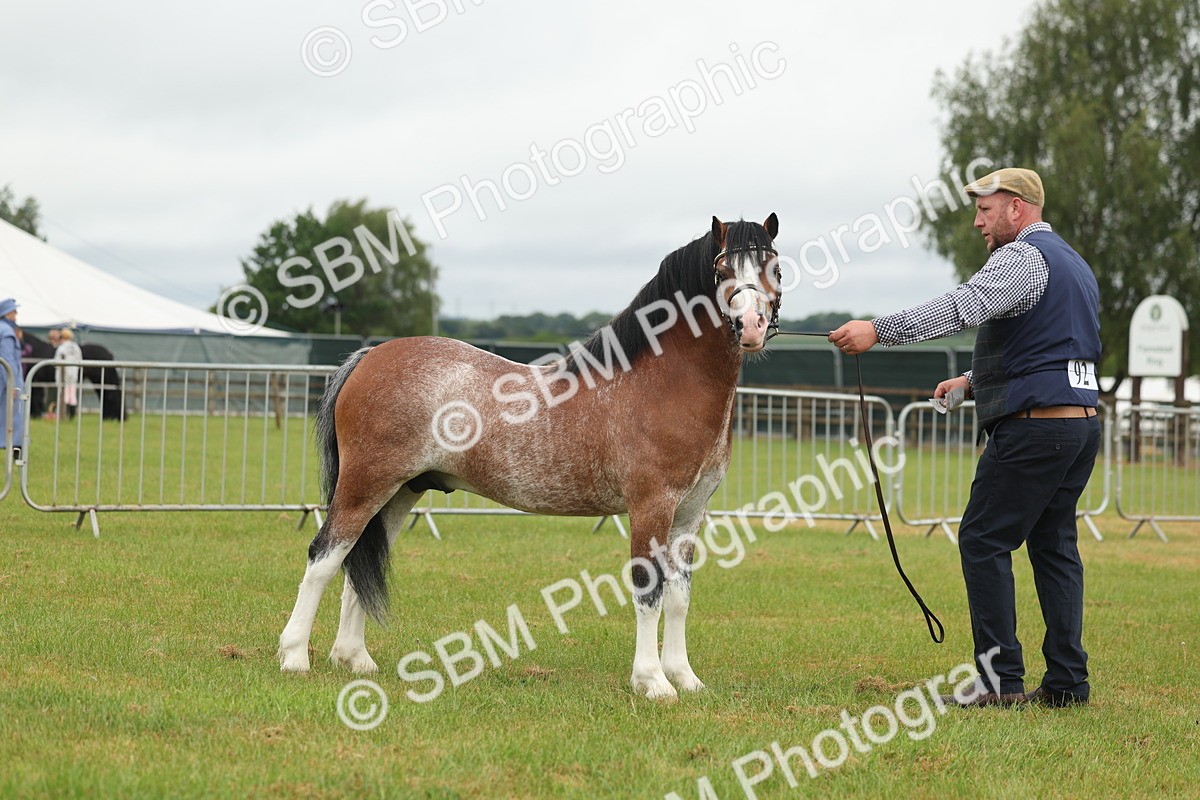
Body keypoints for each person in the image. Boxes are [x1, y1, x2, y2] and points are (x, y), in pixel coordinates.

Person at [829, 167, 1101, 708]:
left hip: (1034, 431)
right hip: (1080, 424)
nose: (978, 221)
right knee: (1054, 548)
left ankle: (999, 680)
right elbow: (1051, 347)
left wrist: (877, 332)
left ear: (1018, 209)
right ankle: (1068, 682)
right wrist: (974, 383)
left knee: (982, 540)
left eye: (986, 208)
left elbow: (960, 308)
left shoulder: (1022, 258)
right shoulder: (1075, 265)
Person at [0, 297, 26, 459]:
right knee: (14, 417)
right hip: (7, 382)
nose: (16, 315)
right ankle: (15, 451)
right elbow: (7, 360)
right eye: (13, 312)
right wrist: (12, 384)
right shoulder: (8, 332)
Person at [54, 328, 84, 421]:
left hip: (63, 374)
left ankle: (64, 413)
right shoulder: (76, 347)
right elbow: (80, 359)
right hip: (74, 373)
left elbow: (56, 361)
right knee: (72, 393)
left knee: (64, 393)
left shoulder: (61, 348)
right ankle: (72, 414)